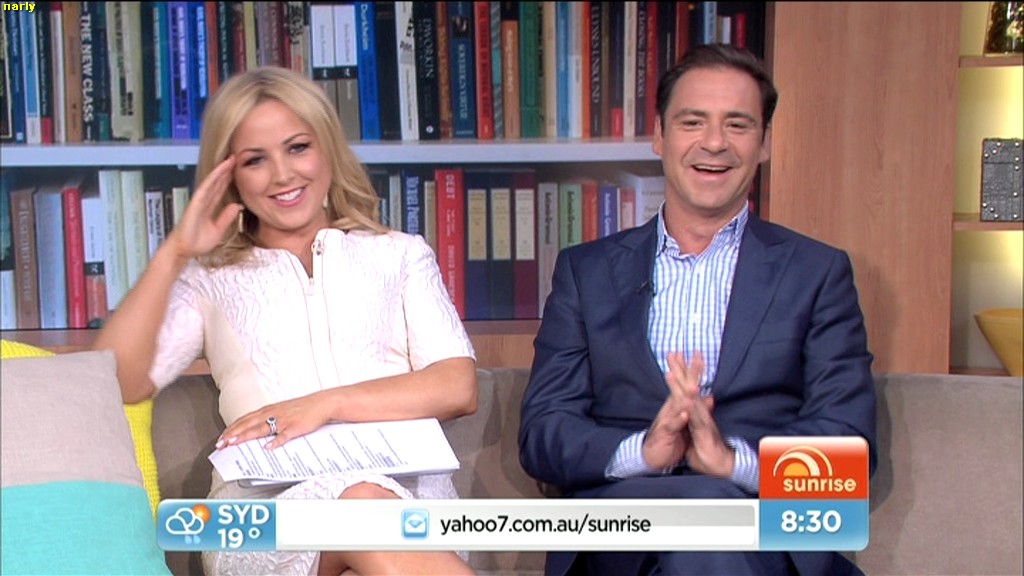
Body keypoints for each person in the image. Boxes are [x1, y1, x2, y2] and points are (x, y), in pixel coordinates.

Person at [92, 66, 477, 576]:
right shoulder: (210, 279)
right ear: (229, 175)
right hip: (263, 513)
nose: (282, 175)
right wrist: (176, 252)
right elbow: (114, 380)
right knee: (360, 504)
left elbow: (457, 385)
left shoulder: (399, 255)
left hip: (408, 504)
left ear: (327, 150)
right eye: (255, 160)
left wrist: (322, 405)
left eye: (297, 148)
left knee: (367, 508)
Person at [518, 43, 876, 576]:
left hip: (758, 532)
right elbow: (544, 434)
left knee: (709, 531)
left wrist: (732, 461)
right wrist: (645, 451)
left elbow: (850, 447)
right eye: (693, 122)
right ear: (659, 136)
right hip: (623, 530)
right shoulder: (585, 272)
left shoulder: (816, 273)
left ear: (764, 143)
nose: (714, 143)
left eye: (737, 125)